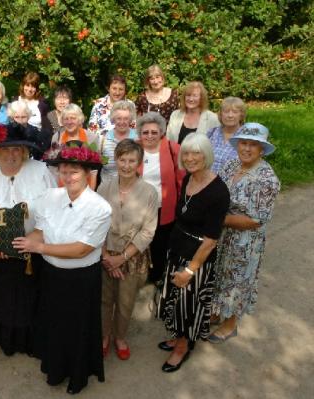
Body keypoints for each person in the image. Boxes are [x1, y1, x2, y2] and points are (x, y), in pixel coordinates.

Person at [12, 142, 111, 394]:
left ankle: (77, 376)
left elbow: (82, 249)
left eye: (74, 171)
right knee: (55, 324)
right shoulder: (50, 197)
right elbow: (38, 229)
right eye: (63, 171)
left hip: (81, 279)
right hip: (52, 276)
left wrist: (39, 249)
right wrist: (16, 240)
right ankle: (55, 370)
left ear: (88, 173)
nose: (67, 177)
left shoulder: (100, 207)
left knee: (77, 328)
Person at [0, 123, 56, 356]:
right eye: (5, 149)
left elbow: (53, 209)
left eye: (16, 148)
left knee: (31, 295)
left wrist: (35, 240)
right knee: (3, 296)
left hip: (33, 248)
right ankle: (5, 337)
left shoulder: (41, 171)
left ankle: (30, 339)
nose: (11, 154)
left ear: (25, 150)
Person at [156, 133, 230, 372]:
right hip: (177, 247)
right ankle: (178, 336)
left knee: (189, 305)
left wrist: (190, 270)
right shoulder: (188, 178)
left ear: (206, 154)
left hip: (197, 256)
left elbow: (211, 239)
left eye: (196, 153)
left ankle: (183, 347)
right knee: (175, 300)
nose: (190, 158)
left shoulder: (218, 191)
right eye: (186, 153)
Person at [209, 123, 280, 342]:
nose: (247, 149)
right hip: (222, 235)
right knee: (219, 272)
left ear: (262, 149)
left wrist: (218, 219)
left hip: (245, 241)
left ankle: (231, 324)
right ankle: (217, 310)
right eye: (243, 143)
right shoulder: (231, 165)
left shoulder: (267, 179)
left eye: (253, 145)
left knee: (238, 279)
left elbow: (255, 220)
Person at [98, 139, 158, 361]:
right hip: (105, 254)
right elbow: (96, 223)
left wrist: (121, 258)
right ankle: (104, 336)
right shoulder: (104, 187)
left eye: (132, 160)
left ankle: (120, 337)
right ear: (116, 160)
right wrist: (106, 256)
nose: (126, 165)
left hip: (131, 256)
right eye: (122, 159)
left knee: (125, 301)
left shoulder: (150, 192)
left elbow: (148, 231)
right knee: (104, 299)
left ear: (139, 163)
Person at [136, 112, 185, 284]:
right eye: (145, 132)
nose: (149, 136)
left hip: (164, 207)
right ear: (140, 133)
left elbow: (181, 180)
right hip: (138, 207)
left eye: (154, 132)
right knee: (138, 242)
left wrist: (180, 206)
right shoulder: (134, 148)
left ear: (161, 133)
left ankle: (156, 277)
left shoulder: (173, 148)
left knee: (160, 244)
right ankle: (137, 276)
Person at [51, 104, 99, 189]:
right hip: (62, 184)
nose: (69, 122)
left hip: (85, 185)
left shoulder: (91, 137)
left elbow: (94, 169)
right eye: (66, 119)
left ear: (80, 120)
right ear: (62, 121)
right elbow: (54, 167)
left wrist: (90, 193)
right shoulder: (57, 137)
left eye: (73, 118)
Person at [99, 101, 138, 184]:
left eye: (126, 119)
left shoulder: (138, 139)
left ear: (130, 120)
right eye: (119, 118)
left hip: (132, 189)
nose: (122, 122)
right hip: (107, 190)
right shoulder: (103, 139)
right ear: (113, 119)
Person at [208, 97, 247, 173]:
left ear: (241, 115)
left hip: (232, 183)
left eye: (235, 112)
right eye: (226, 111)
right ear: (221, 114)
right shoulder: (212, 133)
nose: (230, 115)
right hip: (207, 181)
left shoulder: (246, 136)